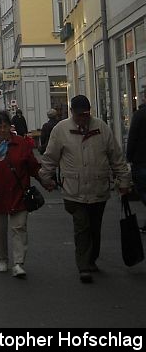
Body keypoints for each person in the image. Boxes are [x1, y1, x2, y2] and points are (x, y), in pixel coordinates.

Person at [40, 95, 132, 283]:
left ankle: (92, 259)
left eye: (86, 114)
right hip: (74, 190)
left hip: (98, 188)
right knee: (82, 227)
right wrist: (46, 178)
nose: (83, 118)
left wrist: (124, 181)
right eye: (80, 114)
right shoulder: (61, 130)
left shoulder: (101, 128)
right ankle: (84, 266)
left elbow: (116, 157)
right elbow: (50, 157)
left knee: (95, 228)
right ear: (72, 112)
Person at [0, 110, 41, 278]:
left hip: (19, 194)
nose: (3, 130)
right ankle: (2, 259)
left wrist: (45, 180)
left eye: (5, 126)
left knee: (19, 228)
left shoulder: (22, 144)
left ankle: (18, 263)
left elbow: (32, 166)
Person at [125, 91, 146, 233]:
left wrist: (129, 157)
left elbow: (132, 138)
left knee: (143, 190)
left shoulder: (140, 115)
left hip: (142, 159)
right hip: (141, 159)